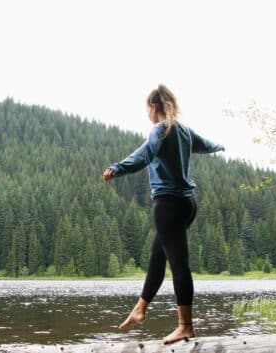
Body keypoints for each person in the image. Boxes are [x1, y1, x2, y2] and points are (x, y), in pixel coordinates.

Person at [102, 84, 225, 345]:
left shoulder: (161, 129)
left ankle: (185, 326)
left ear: (153, 107)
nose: (146, 113)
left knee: (179, 265)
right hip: (186, 204)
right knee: (158, 257)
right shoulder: (183, 130)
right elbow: (204, 144)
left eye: (147, 108)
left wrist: (117, 168)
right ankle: (140, 308)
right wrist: (219, 146)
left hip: (168, 205)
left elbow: (145, 154)